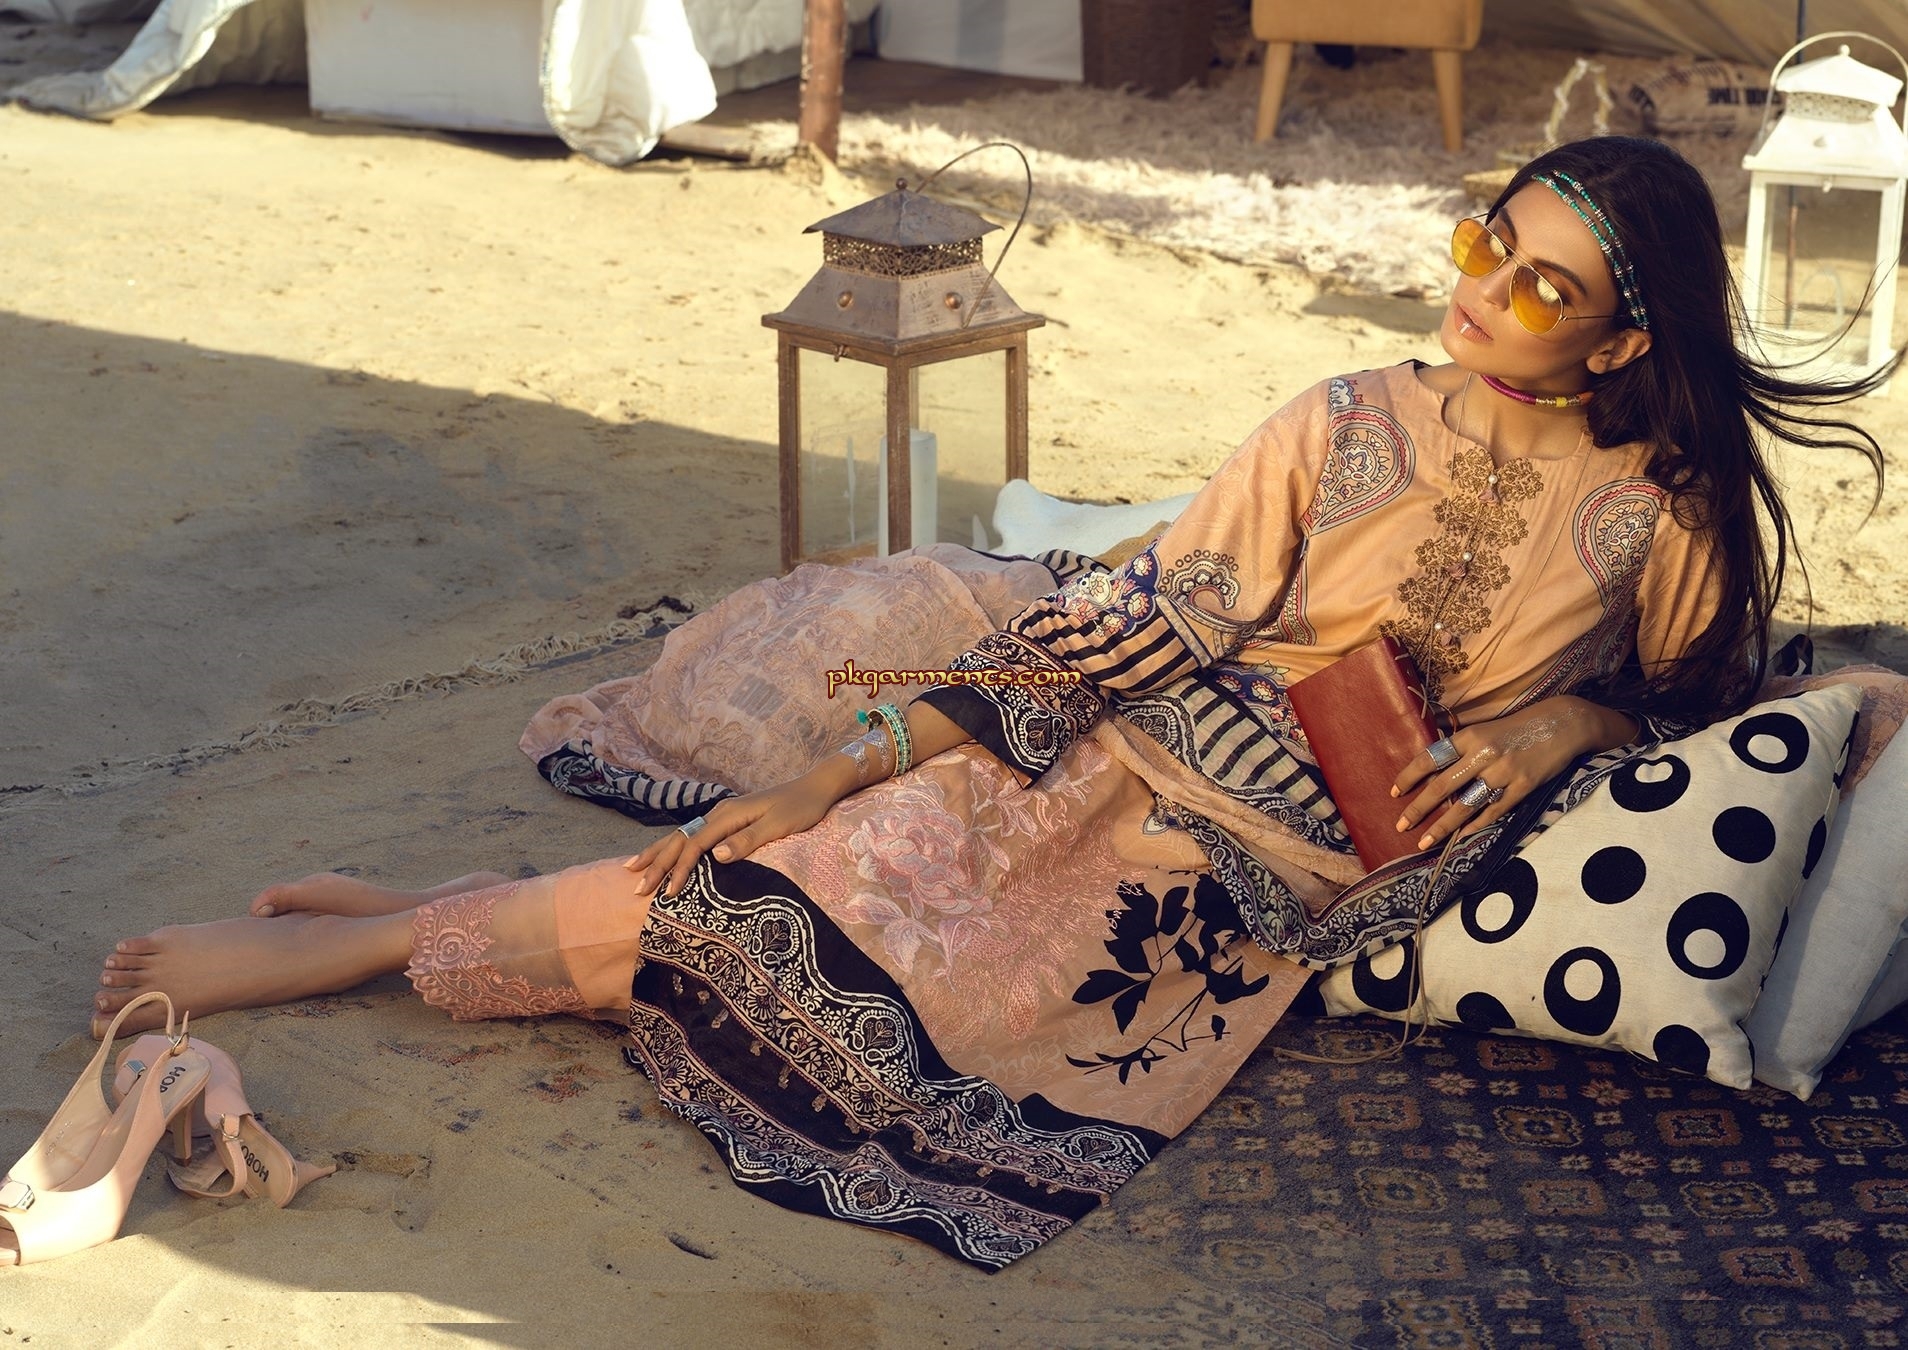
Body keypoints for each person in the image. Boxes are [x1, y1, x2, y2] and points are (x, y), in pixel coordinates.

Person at [85, 137, 1897, 1271]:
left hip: (1269, 878)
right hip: (1118, 746)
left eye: (1542, 284)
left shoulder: (1667, 512)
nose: (1486, 293)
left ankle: (403, 925)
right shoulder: (1344, 418)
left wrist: (1559, 727)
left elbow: (1694, 710)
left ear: (1625, 337)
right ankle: (379, 937)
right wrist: (848, 761)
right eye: (1482, 242)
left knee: (864, 954)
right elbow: (1140, 619)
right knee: (796, 869)